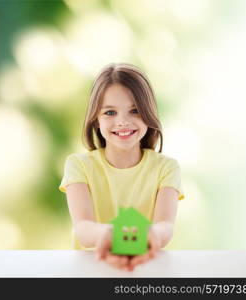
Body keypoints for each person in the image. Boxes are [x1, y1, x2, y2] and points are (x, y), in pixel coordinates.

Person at [59, 63, 184, 272]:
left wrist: (151, 235)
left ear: (148, 113)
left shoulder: (166, 168)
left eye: (134, 110)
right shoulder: (78, 166)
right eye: (110, 112)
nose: (123, 122)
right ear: (96, 120)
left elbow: (165, 227)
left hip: (145, 270)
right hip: (90, 271)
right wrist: (111, 235)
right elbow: (83, 229)